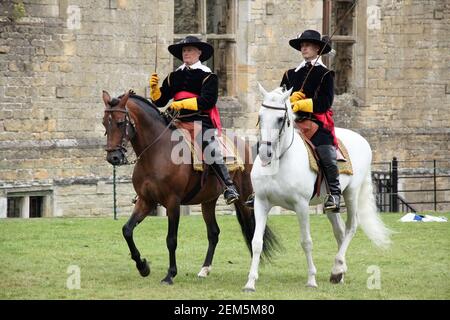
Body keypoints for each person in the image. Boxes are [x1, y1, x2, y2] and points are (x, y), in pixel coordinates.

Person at [149, 35, 239, 205]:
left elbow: (207, 102)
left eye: (190, 50)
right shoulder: (173, 76)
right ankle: (149, 186)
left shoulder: (208, 76)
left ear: (199, 52)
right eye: (184, 50)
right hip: (175, 121)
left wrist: (181, 103)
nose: (186, 53)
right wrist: (154, 89)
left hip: (199, 121)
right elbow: (160, 101)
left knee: (208, 145)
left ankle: (228, 186)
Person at [282, 29, 341, 213]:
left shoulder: (325, 74)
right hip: (290, 123)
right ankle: (257, 190)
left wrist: (303, 104)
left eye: (307, 45)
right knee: (265, 145)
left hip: (314, 123)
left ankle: (335, 194)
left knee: (325, 152)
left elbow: (325, 102)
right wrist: (290, 101)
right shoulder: (290, 74)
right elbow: (278, 98)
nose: (303, 48)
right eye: (302, 45)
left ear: (317, 48)